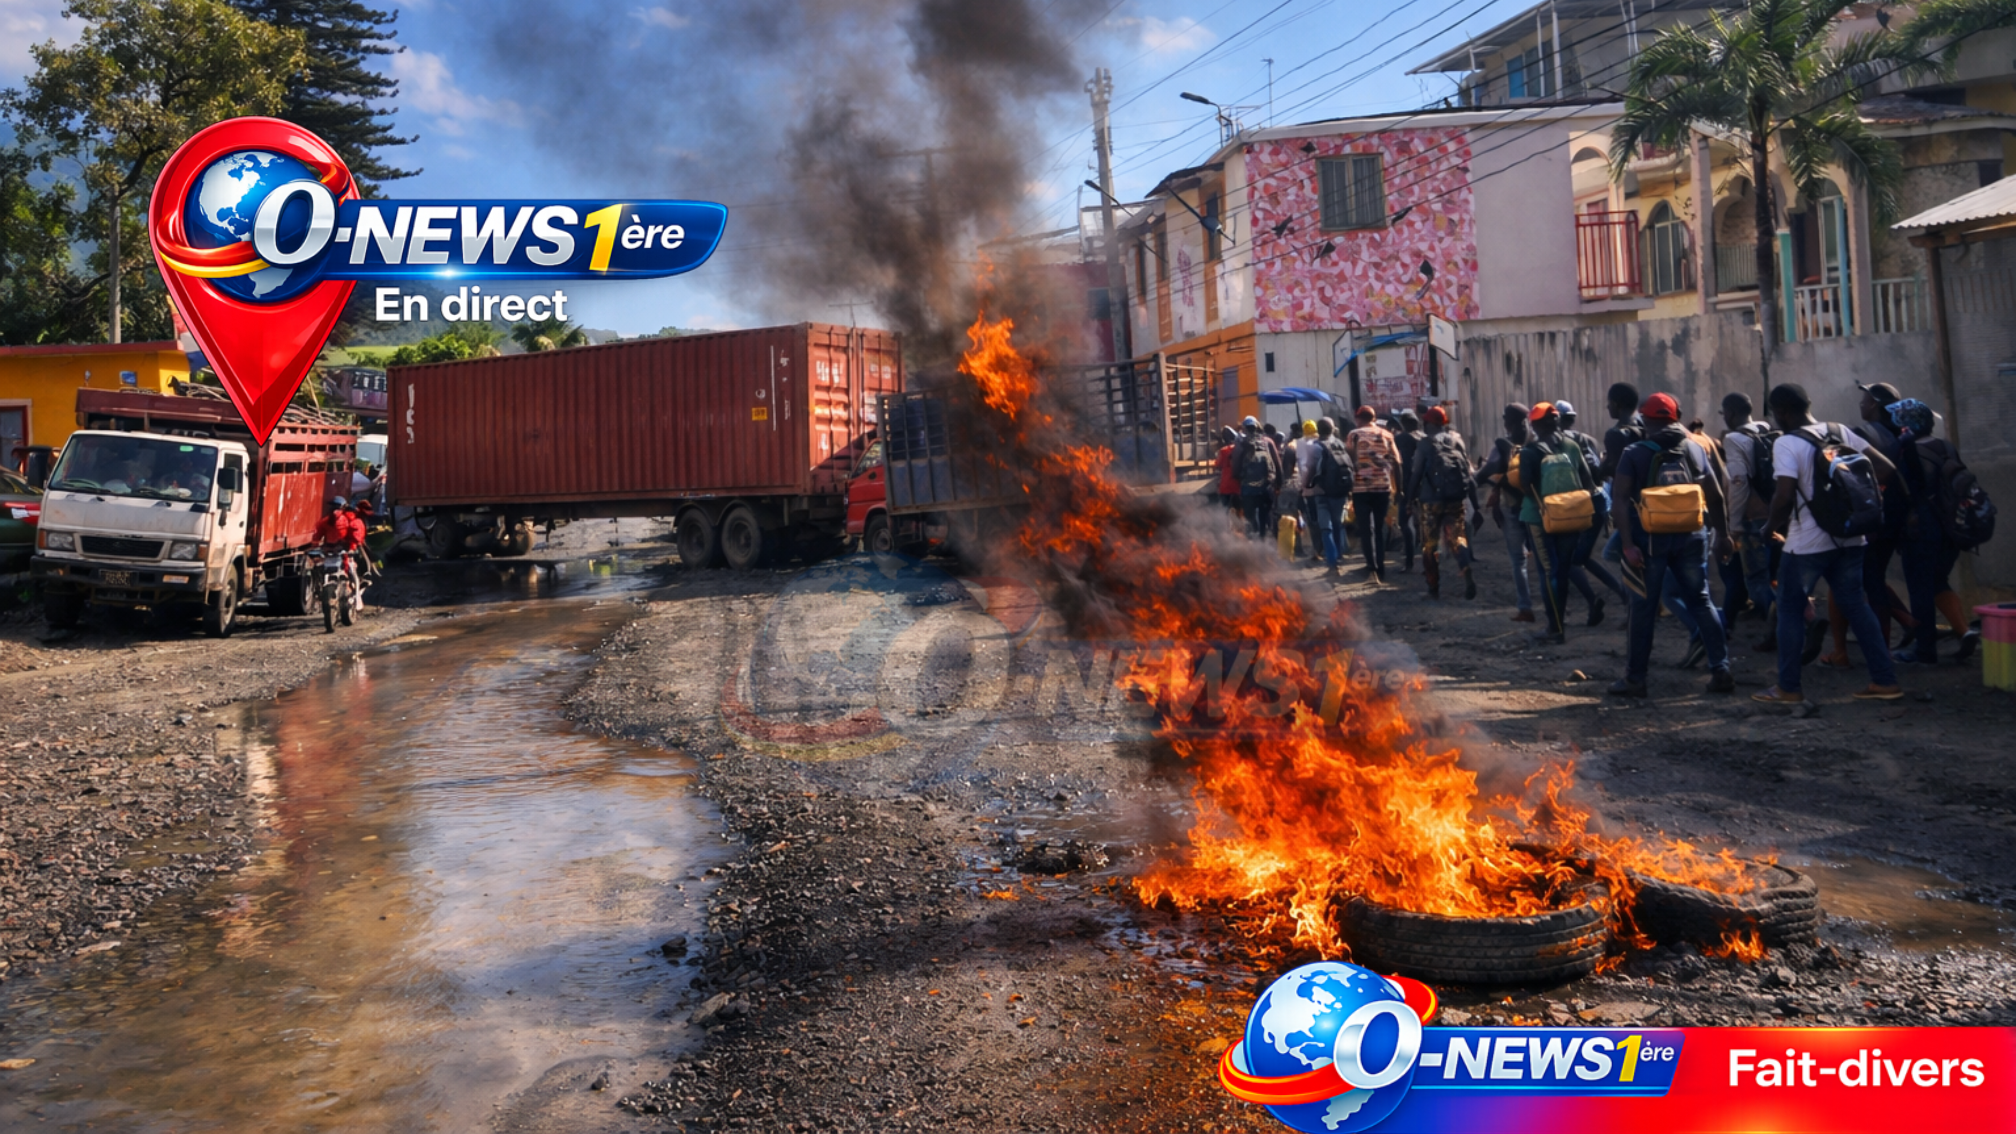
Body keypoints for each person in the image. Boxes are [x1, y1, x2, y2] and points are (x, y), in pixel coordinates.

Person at [1753, 383, 1902, 704]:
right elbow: (1885, 469)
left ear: (1782, 412)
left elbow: (1782, 497)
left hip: (1807, 542)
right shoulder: (1840, 432)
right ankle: (1884, 681)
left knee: (1791, 610)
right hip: (1851, 536)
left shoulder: (1787, 443)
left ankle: (1788, 688)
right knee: (1857, 606)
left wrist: (1769, 528)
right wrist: (1853, 498)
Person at [1607, 393, 1735, 696]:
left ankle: (1635, 680)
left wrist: (1627, 544)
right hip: (1692, 537)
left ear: (1645, 419)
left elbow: (1620, 500)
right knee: (1702, 602)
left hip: (1648, 542)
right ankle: (1722, 670)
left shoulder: (1635, 452)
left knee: (1643, 609)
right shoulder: (1693, 448)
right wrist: (1724, 535)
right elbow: (1714, 495)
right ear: (1676, 417)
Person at [1815, 381, 1919, 669]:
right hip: (1894, 517)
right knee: (1872, 578)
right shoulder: (1900, 435)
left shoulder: (1862, 435)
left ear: (1873, 404)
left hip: (1870, 518)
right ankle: (1904, 624)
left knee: (1861, 582)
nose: (1860, 404)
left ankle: (1877, 652)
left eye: (1864, 399)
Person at [1887, 398, 1983, 664]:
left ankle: (1924, 650)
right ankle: (1964, 632)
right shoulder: (1946, 446)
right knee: (1938, 580)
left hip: (1922, 528)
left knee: (1920, 588)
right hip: (1952, 525)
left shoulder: (1906, 450)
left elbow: (1902, 492)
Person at [1515, 403, 1598, 645]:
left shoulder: (1530, 450)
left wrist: (1544, 504)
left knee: (1547, 571)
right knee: (1562, 571)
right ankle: (1558, 626)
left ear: (1537, 424)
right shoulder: (1571, 446)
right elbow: (1587, 480)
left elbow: (1525, 484)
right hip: (1571, 517)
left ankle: (1555, 628)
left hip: (1539, 518)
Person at [1555, 399, 1625, 625]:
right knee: (1581, 557)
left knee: (1567, 560)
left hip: (1578, 505)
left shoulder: (1559, 443)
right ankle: (1621, 593)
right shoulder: (1588, 439)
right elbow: (1600, 472)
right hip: (1599, 502)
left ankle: (1594, 600)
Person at [1405, 406, 1483, 600]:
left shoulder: (1425, 444)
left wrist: (1408, 500)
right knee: (1458, 539)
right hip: (1456, 499)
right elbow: (1468, 474)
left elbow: (1416, 474)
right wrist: (1476, 506)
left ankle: (1433, 588)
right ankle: (1465, 567)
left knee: (1430, 545)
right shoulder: (1457, 441)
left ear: (1428, 423)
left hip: (1431, 502)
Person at [1719, 392, 1780, 625]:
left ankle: (1798, 623)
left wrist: (1733, 526)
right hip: (1775, 511)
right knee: (1773, 574)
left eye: (1724, 413)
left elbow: (1739, 482)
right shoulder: (1765, 429)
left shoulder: (1734, 439)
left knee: (1756, 581)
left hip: (1752, 517)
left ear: (1731, 413)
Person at [1477, 403, 1537, 622]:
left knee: (1518, 561)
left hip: (1512, 507)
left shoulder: (1503, 445)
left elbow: (1488, 470)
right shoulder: (1536, 442)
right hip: (1535, 506)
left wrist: (1473, 481)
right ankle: (1553, 607)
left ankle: (1525, 607)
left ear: (1508, 422)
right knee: (1542, 558)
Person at [1345, 406, 1402, 583]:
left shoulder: (1354, 435)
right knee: (1378, 528)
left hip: (1361, 489)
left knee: (1365, 529)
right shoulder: (1387, 435)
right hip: (1383, 488)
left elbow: (1349, 462)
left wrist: (1348, 488)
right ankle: (1381, 566)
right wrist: (1399, 489)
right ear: (1374, 418)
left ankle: (1372, 568)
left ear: (1358, 418)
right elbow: (1397, 463)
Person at [1311, 417, 1353, 575]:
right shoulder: (1340, 444)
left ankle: (1332, 562)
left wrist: (1307, 487)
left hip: (1322, 492)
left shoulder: (1316, 447)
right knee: (1337, 524)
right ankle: (1339, 557)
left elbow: (1311, 469)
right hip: (1340, 490)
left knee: (1325, 528)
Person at [312, 496, 369, 610]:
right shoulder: (325, 522)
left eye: (337, 507)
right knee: (318, 569)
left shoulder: (350, 520)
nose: (335, 510)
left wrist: (352, 548)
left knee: (351, 570)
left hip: (345, 551)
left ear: (343, 508)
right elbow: (317, 535)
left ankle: (357, 596)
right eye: (333, 506)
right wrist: (317, 545)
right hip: (330, 551)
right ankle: (317, 593)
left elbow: (356, 535)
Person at [1232, 416, 1282, 541]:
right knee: (1264, 514)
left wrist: (1239, 478)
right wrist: (1278, 485)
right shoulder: (1268, 442)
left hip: (1248, 487)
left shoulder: (1240, 444)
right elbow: (1278, 465)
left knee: (1250, 517)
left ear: (1244, 429)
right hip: (1267, 487)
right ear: (1258, 427)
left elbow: (1235, 467)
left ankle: (1254, 539)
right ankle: (1263, 537)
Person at [1394, 410, 1424, 572]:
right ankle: (1429, 563)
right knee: (1426, 525)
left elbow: (1402, 466)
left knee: (1405, 524)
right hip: (1426, 488)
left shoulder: (1402, 439)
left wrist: (1401, 490)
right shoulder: (1424, 438)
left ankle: (1409, 562)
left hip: (1408, 487)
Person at [1214, 425, 1241, 518]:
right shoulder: (1239, 449)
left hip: (1225, 485)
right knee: (1240, 509)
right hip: (1238, 484)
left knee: (1224, 509)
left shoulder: (1223, 450)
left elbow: (1218, 464)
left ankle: (1224, 528)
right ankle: (1242, 528)